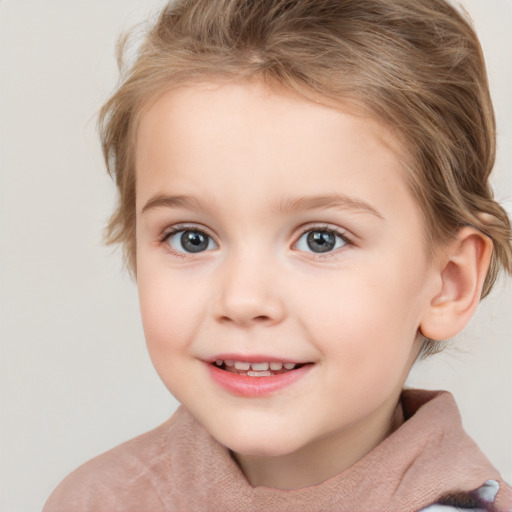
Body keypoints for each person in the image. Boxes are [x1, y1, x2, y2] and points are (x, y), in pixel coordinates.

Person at [43, 0, 512, 510]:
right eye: (191, 238)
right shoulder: (94, 501)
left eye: (321, 239)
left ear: (449, 282)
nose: (243, 300)